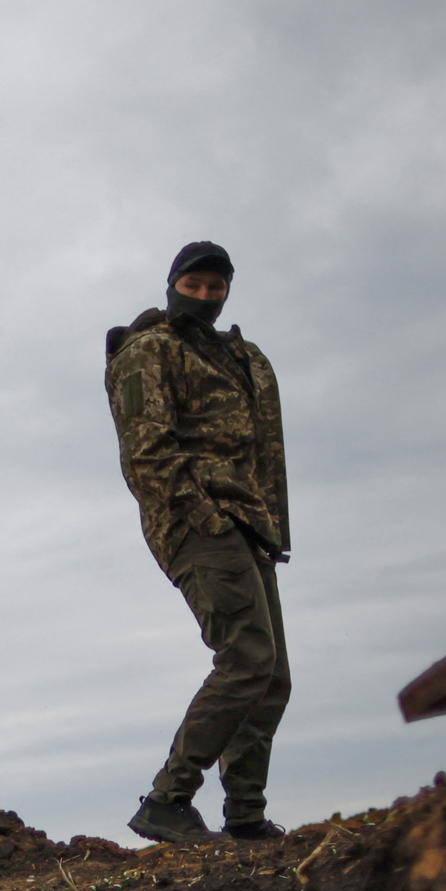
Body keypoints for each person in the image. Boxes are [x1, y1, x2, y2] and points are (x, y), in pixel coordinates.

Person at [105, 240, 292, 845]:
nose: (206, 297)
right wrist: (200, 515)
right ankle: (167, 800)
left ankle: (245, 817)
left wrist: (272, 531)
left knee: (271, 675)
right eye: (195, 286)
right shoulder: (148, 351)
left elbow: (267, 453)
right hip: (195, 520)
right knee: (246, 658)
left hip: (250, 524)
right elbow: (146, 451)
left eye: (217, 288)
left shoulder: (244, 357)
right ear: (173, 284)